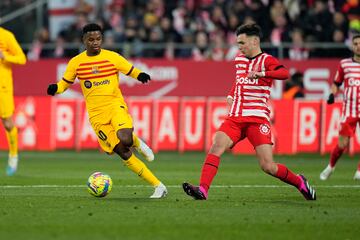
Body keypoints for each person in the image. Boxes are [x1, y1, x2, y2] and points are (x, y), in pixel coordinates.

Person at [183, 23, 316, 200]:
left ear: (254, 41)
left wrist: (262, 74)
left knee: (268, 166)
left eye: (242, 43)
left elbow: (284, 74)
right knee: (216, 146)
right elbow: (239, 81)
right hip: (236, 117)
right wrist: (230, 95)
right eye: (238, 43)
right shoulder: (239, 60)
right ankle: (203, 190)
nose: (240, 47)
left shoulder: (267, 60)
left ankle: (299, 182)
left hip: (257, 118)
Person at [47, 23, 167, 198]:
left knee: (125, 138)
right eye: (91, 39)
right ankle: (158, 186)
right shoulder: (77, 63)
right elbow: (65, 84)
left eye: (98, 39)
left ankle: (138, 143)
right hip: (96, 116)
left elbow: (130, 70)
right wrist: (55, 89)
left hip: (114, 105)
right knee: (122, 151)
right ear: (84, 40)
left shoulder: (112, 57)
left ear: (101, 39)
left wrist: (140, 75)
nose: (95, 42)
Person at [320, 34, 360, 181]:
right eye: (355, 43)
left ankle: (359, 171)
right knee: (342, 144)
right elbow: (336, 83)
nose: (358, 46)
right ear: (352, 46)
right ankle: (331, 167)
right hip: (350, 109)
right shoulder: (345, 64)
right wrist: (332, 94)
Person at [0, 27, 27, 176]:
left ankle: (13, 155)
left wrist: (5, 57)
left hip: (2, 87)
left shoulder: (6, 36)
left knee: (8, 123)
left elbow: (22, 58)